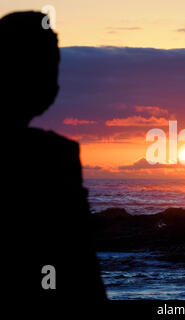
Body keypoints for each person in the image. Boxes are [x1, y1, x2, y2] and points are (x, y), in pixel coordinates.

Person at [0, 11, 106, 301]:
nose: (55, 81)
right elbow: (77, 262)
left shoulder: (52, 153)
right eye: (46, 68)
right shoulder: (51, 157)